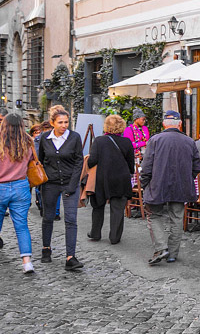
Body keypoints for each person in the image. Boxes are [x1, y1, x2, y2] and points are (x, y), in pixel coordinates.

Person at [140, 110, 200, 265]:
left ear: (163, 124)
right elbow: (196, 167)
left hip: (157, 185)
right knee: (177, 218)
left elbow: (146, 167)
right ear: (180, 124)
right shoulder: (189, 141)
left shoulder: (155, 140)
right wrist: (186, 179)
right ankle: (172, 253)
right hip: (180, 186)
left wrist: (143, 183)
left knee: (154, 215)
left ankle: (161, 248)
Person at [38, 105, 84, 271]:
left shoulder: (74, 137)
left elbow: (79, 161)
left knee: (71, 219)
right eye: (61, 122)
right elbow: (40, 160)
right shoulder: (45, 138)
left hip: (70, 183)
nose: (64, 125)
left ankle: (70, 257)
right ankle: (46, 249)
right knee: (48, 217)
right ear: (52, 123)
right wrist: (42, 181)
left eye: (66, 122)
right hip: (50, 184)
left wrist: (73, 185)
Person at [87, 114, 135, 244]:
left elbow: (92, 161)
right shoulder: (127, 142)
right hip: (121, 178)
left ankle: (95, 233)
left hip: (102, 178)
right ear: (122, 127)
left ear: (106, 126)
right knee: (118, 208)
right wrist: (130, 172)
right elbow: (131, 163)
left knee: (98, 206)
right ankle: (114, 237)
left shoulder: (99, 141)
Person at [0, 114, 36, 274]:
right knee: (22, 226)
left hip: (1, 186)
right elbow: (34, 162)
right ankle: (27, 262)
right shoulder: (27, 143)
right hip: (21, 186)